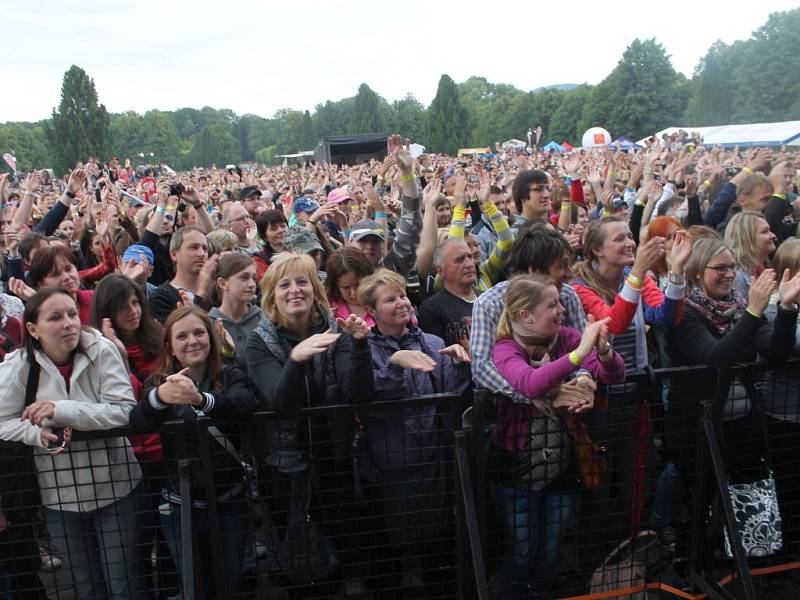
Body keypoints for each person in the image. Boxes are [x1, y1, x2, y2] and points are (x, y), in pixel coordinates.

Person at [0, 288, 147, 599]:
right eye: (55, 317)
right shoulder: (17, 365)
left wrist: (60, 410)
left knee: (122, 583)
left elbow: (124, 411)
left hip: (115, 487)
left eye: (71, 314)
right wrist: (34, 433)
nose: (68, 323)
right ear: (32, 329)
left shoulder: (101, 350)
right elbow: (2, 421)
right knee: (86, 585)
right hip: (58, 497)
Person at [245, 252, 374, 595]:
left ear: (315, 289)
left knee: (347, 547)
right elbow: (279, 400)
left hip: (336, 460)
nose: (294, 290)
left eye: (302, 281)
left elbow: (356, 392)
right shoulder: (259, 341)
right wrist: (297, 359)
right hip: (285, 470)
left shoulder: (337, 331)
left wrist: (360, 346)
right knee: (298, 557)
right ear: (271, 295)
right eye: (284, 284)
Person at [489, 274, 625, 598]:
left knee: (551, 548)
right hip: (515, 468)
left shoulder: (566, 337)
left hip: (563, 466)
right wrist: (579, 356)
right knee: (523, 549)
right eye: (552, 305)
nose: (562, 310)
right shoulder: (505, 347)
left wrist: (603, 352)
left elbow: (616, 374)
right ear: (526, 315)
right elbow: (531, 383)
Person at [657, 238, 800, 547]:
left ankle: (740, 561)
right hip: (696, 428)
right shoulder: (685, 314)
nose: (728, 274)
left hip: (742, 426)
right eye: (719, 268)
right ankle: (697, 567)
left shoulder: (738, 304)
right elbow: (717, 358)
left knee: (743, 495)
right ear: (697, 272)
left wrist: (786, 309)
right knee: (701, 500)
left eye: (732, 267)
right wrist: (752, 312)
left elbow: (774, 352)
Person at [130, 305, 259, 597]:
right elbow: (137, 422)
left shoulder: (230, 376)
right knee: (194, 585)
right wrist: (158, 399)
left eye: (199, 332)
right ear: (170, 347)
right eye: (183, 336)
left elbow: (243, 405)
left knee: (229, 582)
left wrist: (201, 399)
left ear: (211, 339)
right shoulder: (160, 385)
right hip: (179, 503)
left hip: (230, 499)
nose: (192, 341)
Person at [358, 267, 472, 596]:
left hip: (434, 458)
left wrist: (460, 366)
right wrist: (395, 364)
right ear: (371, 311)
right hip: (394, 465)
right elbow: (368, 392)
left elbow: (450, 396)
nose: (401, 303)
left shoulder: (433, 342)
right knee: (395, 546)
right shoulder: (365, 349)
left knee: (435, 544)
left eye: (403, 296)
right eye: (390, 299)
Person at [147, 225, 217, 323]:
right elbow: (190, 333)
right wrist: (201, 294)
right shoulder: (160, 298)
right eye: (193, 248)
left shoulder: (216, 292)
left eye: (205, 248)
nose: (201, 254)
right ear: (174, 255)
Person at [207, 253, 263, 368]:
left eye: (254, 278)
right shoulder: (208, 323)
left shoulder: (263, 319)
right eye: (244, 277)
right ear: (223, 283)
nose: (252, 284)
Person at [418, 239, 477, 348]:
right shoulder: (432, 309)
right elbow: (437, 356)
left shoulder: (489, 299)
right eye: (459, 260)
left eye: (470, 257)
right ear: (440, 270)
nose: (469, 264)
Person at [724, 210, 776, 300]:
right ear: (746, 238)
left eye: (770, 230)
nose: (773, 235)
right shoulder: (736, 276)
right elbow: (740, 312)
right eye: (765, 231)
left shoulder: (764, 268)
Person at [324, 246, 376, 327]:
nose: (354, 293)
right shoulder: (328, 310)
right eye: (346, 287)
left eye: (358, 284)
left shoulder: (381, 302)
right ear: (336, 286)